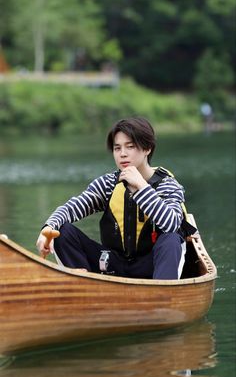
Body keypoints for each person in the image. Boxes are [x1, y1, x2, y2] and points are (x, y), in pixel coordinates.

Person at [36, 116, 190, 280]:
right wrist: (48, 228)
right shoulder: (109, 184)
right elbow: (71, 208)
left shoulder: (167, 185)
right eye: (117, 148)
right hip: (113, 266)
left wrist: (141, 187)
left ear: (147, 148)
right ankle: (83, 285)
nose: (122, 154)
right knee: (61, 231)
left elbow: (172, 224)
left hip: (152, 267)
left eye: (129, 147)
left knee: (171, 239)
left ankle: (161, 298)